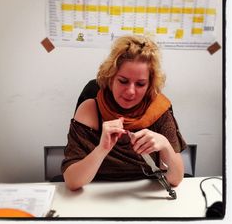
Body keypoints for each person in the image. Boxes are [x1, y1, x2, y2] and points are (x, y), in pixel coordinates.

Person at [61, 35, 187, 191]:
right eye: (123, 81)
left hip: (145, 194)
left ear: (149, 85)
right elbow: (72, 181)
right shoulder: (90, 109)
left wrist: (165, 146)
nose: (130, 92)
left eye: (140, 84)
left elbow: (176, 179)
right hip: (98, 194)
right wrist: (102, 149)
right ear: (111, 77)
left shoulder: (158, 110)